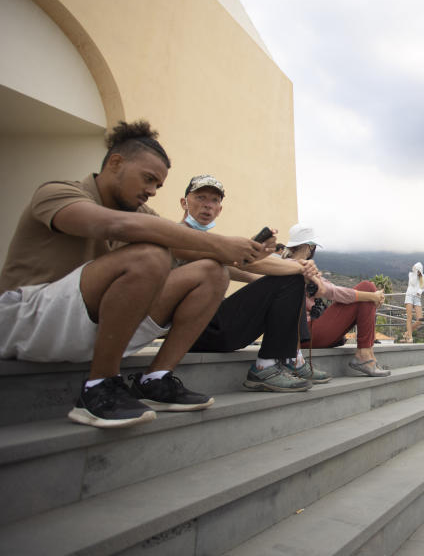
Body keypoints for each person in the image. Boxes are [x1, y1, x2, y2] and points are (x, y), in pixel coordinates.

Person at [0, 121, 266, 428]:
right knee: (152, 254)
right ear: (116, 162)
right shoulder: (57, 192)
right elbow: (114, 226)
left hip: (87, 324)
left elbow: (203, 253)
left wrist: (285, 266)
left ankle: (155, 378)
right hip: (23, 322)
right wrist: (220, 243)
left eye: (158, 186)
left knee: (212, 272)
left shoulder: (141, 215)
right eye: (149, 179)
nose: (151, 192)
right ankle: (98, 387)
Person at [176, 179, 328, 392]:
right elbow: (252, 262)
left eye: (214, 200)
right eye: (200, 198)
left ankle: (291, 357)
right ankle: (267, 365)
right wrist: (300, 269)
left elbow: (250, 272)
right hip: (196, 329)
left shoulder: (213, 247)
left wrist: (294, 277)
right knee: (290, 278)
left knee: (288, 283)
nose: (207, 205)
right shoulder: (178, 236)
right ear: (184, 202)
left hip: (215, 325)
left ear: (219, 209)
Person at [294, 226, 390, 377]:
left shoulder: (297, 265)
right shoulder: (297, 266)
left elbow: (332, 289)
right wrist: (371, 296)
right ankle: (365, 355)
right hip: (306, 333)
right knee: (367, 287)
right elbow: (331, 292)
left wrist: (370, 296)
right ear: (309, 247)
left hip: (312, 331)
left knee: (367, 289)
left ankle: (368, 354)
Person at [401, 262, 424, 343]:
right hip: (409, 296)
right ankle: (410, 337)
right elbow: (413, 283)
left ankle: (407, 333)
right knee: (409, 317)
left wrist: (420, 291)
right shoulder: (411, 275)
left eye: (419, 270)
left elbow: (423, 287)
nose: (418, 272)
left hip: (417, 298)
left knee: (420, 319)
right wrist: (414, 272)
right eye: (416, 270)